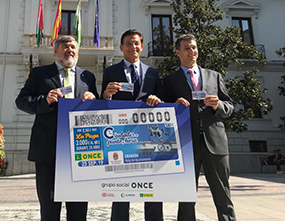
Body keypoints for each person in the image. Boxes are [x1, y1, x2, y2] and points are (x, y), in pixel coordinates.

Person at [15, 35, 98, 221]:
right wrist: (45, 100)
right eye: (65, 46)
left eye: (73, 47)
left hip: (80, 153)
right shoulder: (40, 74)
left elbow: (96, 111)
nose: (69, 50)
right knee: (49, 208)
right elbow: (21, 101)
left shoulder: (88, 77)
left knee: (78, 209)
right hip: (48, 151)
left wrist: (93, 100)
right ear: (55, 51)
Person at [162, 34, 236, 221]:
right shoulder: (170, 80)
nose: (191, 51)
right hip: (186, 145)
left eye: (194, 47)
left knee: (223, 195)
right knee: (186, 198)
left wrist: (217, 105)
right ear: (178, 52)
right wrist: (174, 105)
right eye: (186, 48)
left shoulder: (214, 76)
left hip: (215, 143)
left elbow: (229, 107)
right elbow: (163, 110)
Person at [101, 29, 164, 221]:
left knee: (152, 189)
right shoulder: (110, 72)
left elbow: (163, 102)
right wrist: (106, 95)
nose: (133, 47)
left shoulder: (153, 73)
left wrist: (157, 99)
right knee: (122, 191)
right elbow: (103, 104)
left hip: (148, 137)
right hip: (122, 138)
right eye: (128, 43)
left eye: (136, 43)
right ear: (121, 47)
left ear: (142, 46)